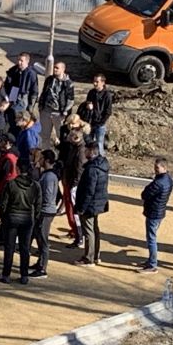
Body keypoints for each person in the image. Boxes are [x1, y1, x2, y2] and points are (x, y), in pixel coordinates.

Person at [0, 154, 41, 285]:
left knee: (9, 247)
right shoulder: (35, 186)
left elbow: (3, 204)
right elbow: (38, 204)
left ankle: (6, 274)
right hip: (27, 218)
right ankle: (24, 275)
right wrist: (35, 217)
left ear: (17, 169)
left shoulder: (11, 185)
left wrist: (4, 217)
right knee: (25, 248)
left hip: (12, 218)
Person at [74, 139, 110, 267]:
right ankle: (95, 255)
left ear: (91, 151)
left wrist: (82, 207)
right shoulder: (102, 165)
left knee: (89, 231)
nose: (84, 153)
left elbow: (88, 191)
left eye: (86, 150)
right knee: (94, 229)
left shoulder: (91, 169)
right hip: (98, 202)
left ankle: (88, 258)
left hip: (90, 204)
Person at [139, 158, 173, 274]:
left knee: (151, 239)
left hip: (154, 212)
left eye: (157, 168)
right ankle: (150, 261)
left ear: (164, 168)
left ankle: (153, 265)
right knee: (151, 237)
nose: (155, 170)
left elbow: (145, 194)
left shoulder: (158, 183)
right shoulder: (168, 179)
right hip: (159, 212)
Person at [58, 118, 87, 247]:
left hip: (73, 184)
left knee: (75, 211)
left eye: (70, 137)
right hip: (69, 180)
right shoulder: (75, 148)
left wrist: (74, 185)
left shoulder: (80, 152)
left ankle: (80, 237)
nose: (68, 139)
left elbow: (79, 170)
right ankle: (76, 233)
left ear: (76, 138)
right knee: (71, 209)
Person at [32, 150, 59, 279]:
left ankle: (42, 268)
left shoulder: (49, 177)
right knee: (39, 236)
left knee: (43, 239)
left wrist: (39, 204)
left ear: (47, 160)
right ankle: (39, 263)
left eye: (42, 158)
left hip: (45, 211)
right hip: (46, 210)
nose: (39, 161)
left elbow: (47, 196)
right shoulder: (48, 175)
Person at [38, 61, 74, 148]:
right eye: (54, 67)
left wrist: (65, 112)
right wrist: (41, 106)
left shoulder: (68, 83)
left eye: (57, 68)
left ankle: (62, 156)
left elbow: (70, 100)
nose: (55, 69)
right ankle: (45, 155)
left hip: (59, 114)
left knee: (62, 136)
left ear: (63, 69)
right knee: (44, 135)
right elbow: (44, 93)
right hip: (46, 111)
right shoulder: (49, 80)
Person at [79, 74, 113, 153]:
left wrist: (101, 122)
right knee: (89, 144)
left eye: (97, 82)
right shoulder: (91, 92)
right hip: (90, 122)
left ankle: (100, 162)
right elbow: (87, 104)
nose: (94, 83)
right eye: (94, 81)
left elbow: (108, 111)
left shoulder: (107, 95)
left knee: (99, 144)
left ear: (103, 82)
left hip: (100, 124)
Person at [14, 110, 41, 178]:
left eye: (17, 118)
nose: (15, 120)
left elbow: (31, 151)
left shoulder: (29, 132)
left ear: (24, 120)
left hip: (26, 164)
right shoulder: (24, 130)